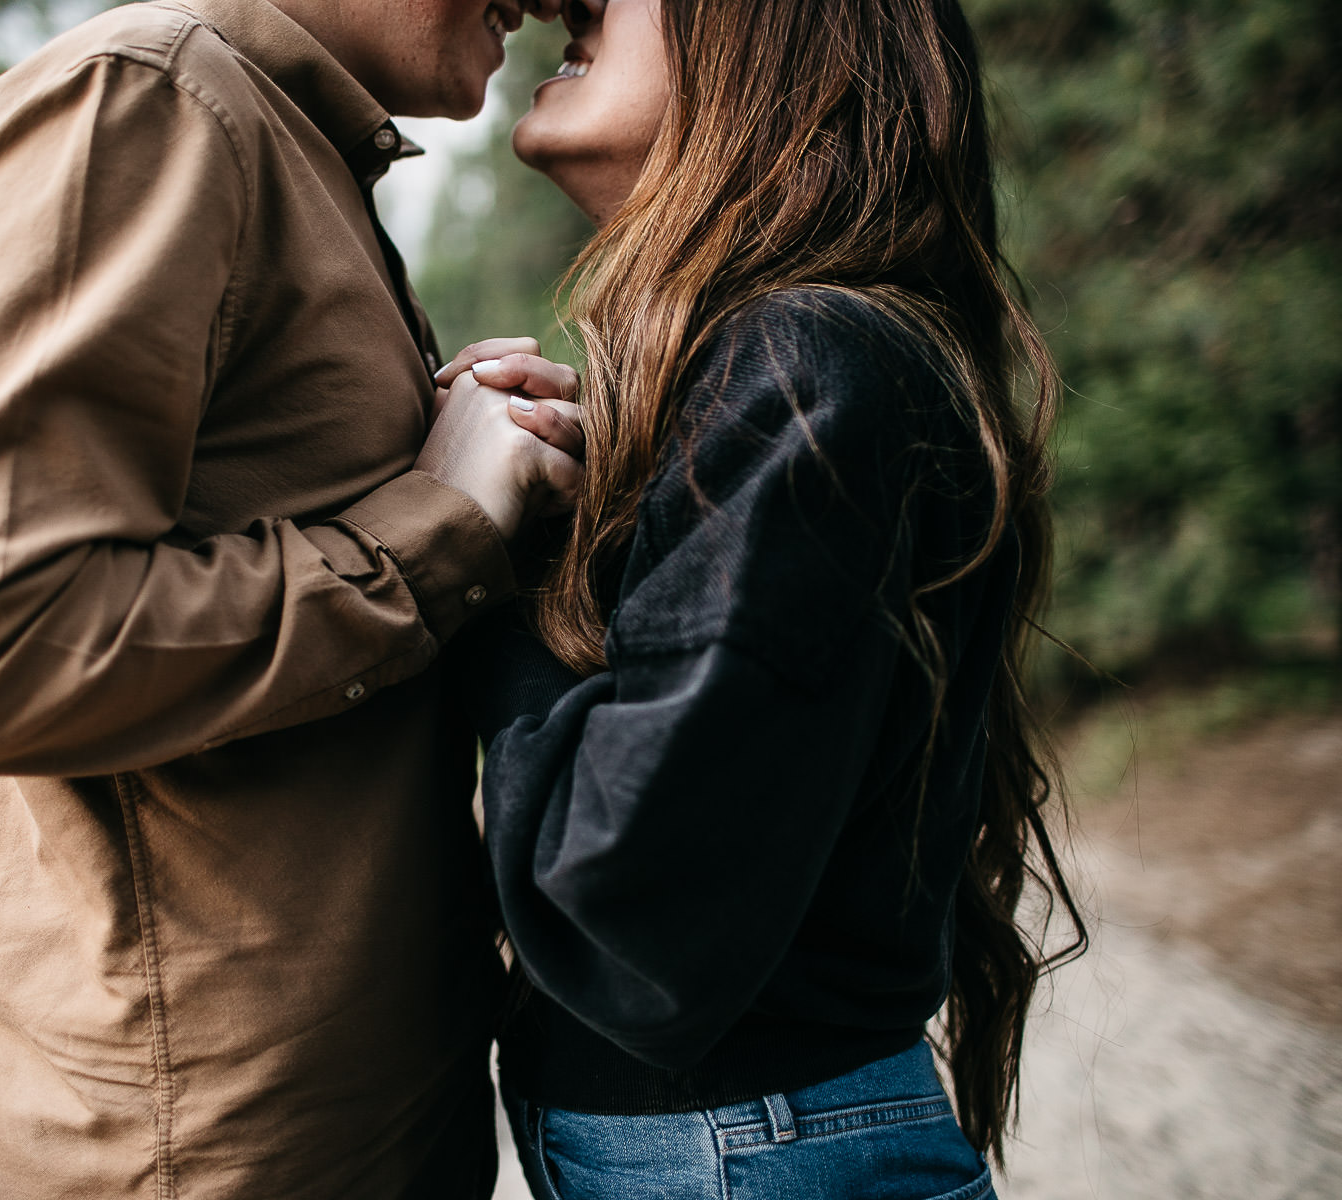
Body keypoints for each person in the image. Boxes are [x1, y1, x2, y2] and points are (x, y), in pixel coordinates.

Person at [0, 1, 579, 1197]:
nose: (561, 2)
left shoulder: (279, 144)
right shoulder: (149, 104)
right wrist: (426, 533)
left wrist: (515, 499)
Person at [434, 0, 1089, 1195]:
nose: (558, 6)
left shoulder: (803, 362)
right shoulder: (811, 361)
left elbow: (629, 915)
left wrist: (489, 558)